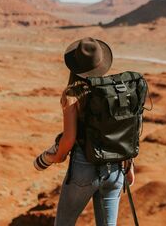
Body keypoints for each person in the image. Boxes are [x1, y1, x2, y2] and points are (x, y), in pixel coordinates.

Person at [44, 37, 135, 226]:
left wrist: (56, 156)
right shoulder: (115, 91)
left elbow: (69, 139)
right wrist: (129, 165)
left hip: (83, 169)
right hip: (116, 171)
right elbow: (124, 131)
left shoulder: (72, 95)